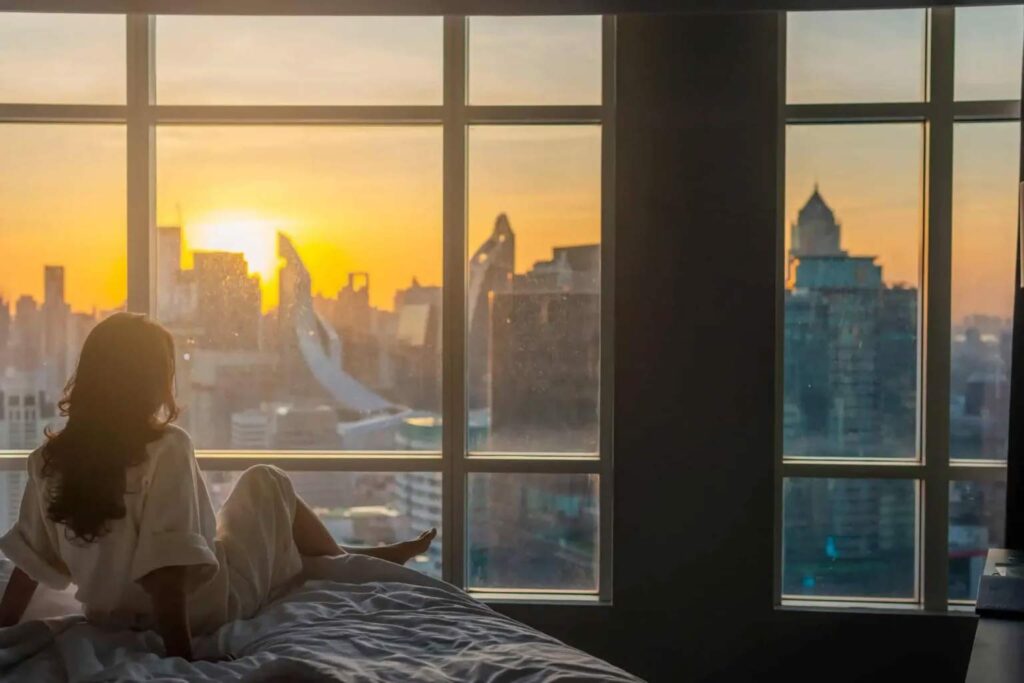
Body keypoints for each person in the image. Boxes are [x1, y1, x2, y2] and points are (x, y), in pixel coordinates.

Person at [0, 313, 436, 660]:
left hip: (110, 618)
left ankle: (347, 557)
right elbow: (166, 574)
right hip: (206, 607)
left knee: (241, 526)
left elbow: (28, 564)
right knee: (267, 482)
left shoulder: (48, 461)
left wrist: (3, 629)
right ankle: (347, 560)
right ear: (149, 380)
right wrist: (182, 659)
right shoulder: (166, 447)